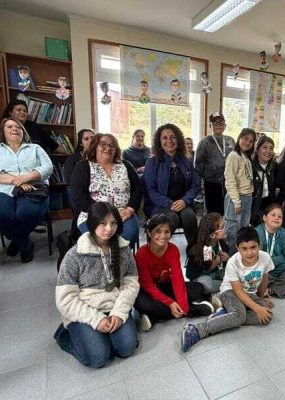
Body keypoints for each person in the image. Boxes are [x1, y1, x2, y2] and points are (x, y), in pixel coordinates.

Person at [53, 202, 139, 368]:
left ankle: (100, 337)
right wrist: (96, 320)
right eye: (102, 223)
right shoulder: (74, 255)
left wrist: (119, 313)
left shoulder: (123, 249)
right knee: (98, 358)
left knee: (127, 348)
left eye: (113, 223)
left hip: (114, 306)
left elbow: (131, 284)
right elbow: (65, 299)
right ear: (92, 224)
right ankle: (65, 335)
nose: (109, 229)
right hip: (86, 310)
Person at [181, 226, 274, 352]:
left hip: (249, 293)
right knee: (240, 316)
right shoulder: (233, 262)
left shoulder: (265, 257)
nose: (249, 252)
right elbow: (238, 291)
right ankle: (197, 329)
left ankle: (225, 314)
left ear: (259, 246)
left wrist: (260, 299)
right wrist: (257, 308)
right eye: (244, 249)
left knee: (267, 315)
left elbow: (264, 279)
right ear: (237, 248)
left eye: (253, 247)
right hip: (230, 291)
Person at [134, 214, 214, 332]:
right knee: (140, 302)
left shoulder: (173, 249)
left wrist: (183, 306)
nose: (163, 236)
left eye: (167, 232)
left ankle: (154, 317)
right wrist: (171, 303)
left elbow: (177, 280)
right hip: (148, 291)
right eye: (158, 231)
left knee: (198, 288)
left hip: (166, 287)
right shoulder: (141, 254)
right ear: (149, 233)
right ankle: (193, 309)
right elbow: (148, 286)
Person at [71, 133, 141, 246]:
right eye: (103, 144)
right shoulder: (83, 166)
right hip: (93, 214)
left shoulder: (126, 165)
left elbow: (138, 188)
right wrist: (103, 213)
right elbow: (79, 196)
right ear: (95, 146)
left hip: (123, 213)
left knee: (126, 234)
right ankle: (108, 257)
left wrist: (130, 209)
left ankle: (120, 257)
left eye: (112, 145)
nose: (108, 148)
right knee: (101, 238)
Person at [0, 117, 53, 263]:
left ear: (23, 131)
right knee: (3, 215)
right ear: (3, 131)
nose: (14, 129)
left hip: (33, 188)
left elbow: (48, 168)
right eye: (9, 127)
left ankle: (16, 241)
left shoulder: (35, 148)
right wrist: (16, 181)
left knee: (26, 213)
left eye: (18, 127)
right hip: (4, 189)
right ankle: (24, 243)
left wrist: (28, 176)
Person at [143, 123, 200, 243]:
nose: (169, 141)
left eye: (173, 137)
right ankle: (160, 250)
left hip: (184, 203)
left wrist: (184, 201)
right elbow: (150, 190)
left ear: (178, 139)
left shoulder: (186, 161)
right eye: (164, 137)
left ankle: (194, 250)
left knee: (189, 216)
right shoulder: (152, 162)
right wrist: (169, 203)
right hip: (159, 205)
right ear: (159, 141)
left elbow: (195, 185)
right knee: (170, 218)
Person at [195, 112, 235, 215]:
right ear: (210, 126)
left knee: (228, 211)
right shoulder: (204, 142)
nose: (218, 125)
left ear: (225, 125)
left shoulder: (230, 140)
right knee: (213, 213)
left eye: (221, 123)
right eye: (215, 123)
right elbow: (198, 165)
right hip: (211, 183)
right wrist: (199, 186)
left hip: (229, 183)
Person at [224, 128, 256, 253]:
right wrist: (236, 201)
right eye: (245, 138)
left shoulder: (246, 156)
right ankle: (229, 258)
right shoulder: (234, 156)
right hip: (236, 198)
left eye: (251, 141)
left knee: (243, 231)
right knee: (232, 232)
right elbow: (230, 179)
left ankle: (240, 257)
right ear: (239, 138)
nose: (248, 143)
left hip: (247, 196)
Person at [185, 212, 230, 294]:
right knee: (206, 285)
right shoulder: (199, 249)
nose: (226, 229)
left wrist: (228, 260)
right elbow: (190, 275)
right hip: (201, 277)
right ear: (212, 235)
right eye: (222, 227)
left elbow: (224, 268)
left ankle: (227, 285)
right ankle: (228, 285)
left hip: (216, 274)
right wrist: (212, 266)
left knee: (234, 272)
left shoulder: (221, 243)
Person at [251, 135, 277, 226]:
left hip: (269, 204)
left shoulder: (274, 166)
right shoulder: (250, 167)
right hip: (254, 206)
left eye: (271, 148)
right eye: (264, 147)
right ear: (257, 150)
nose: (268, 151)